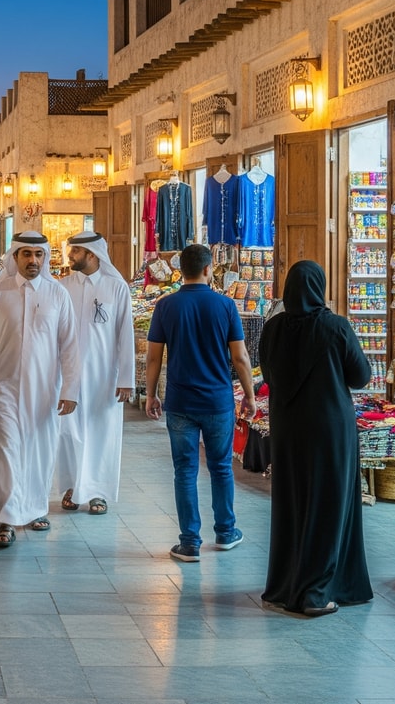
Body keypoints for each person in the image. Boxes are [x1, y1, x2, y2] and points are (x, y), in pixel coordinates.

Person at [260, 261, 373, 617]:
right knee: (328, 504)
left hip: (287, 428)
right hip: (329, 429)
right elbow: (360, 376)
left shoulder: (273, 328)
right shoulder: (335, 326)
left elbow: (268, 372)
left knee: (293, 503)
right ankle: (316, 592)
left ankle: (285, 584)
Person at [0, 231, 81, 548]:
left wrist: (70, 389)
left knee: (39, 451)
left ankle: (34, 509)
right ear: (14, 257)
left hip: (44, 390)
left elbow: (70, 346)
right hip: (1, 388)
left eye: (39, 255)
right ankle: (6, 518)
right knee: (4, 451)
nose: (33, 260)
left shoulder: (57, 294)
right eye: (26, 254)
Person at [143, 243, 253, 562]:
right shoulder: (225, 306)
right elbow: (240, 357)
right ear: (208, 269)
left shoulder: (166, 306)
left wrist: (151, 394)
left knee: (185, 470)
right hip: (217, 401)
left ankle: (189, 541)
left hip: (180, 401)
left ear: (182, 271)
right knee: (221, 468)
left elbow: (153, 357)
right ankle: (225, 531)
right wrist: (248, 395)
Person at [55, 233, 136, 515]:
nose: (70, 255)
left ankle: (97, 492)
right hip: (68, 375)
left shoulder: (116, 287)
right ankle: (72, 486)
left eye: (75, 251)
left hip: (104, 376)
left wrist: (126, 379)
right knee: (68, 432)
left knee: (102, 433)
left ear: (92, 254)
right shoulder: (62, 287)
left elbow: (125, 335)